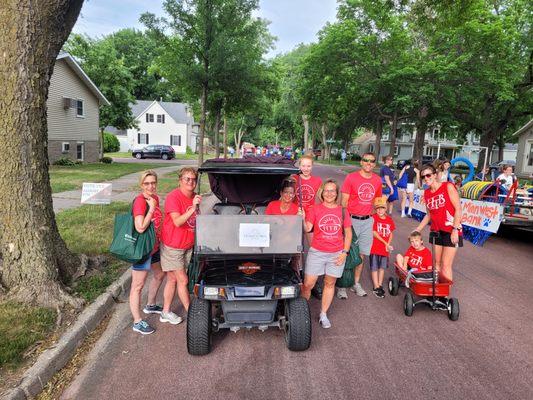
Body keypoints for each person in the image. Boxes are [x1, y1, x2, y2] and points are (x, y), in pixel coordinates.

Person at [301, 179, 352, 329]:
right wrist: (303, 218)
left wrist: (345, 252)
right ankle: (302, 312)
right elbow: (307, 228)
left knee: (330, 283)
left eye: (332, 191)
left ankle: (323, 314)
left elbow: (348, 234)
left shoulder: (343, 210)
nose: (329, 193)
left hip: (336, 253)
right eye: (326, 190)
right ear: (321, 193)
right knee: (308, 284)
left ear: (337, 193)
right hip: (317, 252)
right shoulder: (315, 209)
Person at [160, 167, 202, 325]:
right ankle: (194, 317)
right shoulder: (173, 197)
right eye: (187, 179)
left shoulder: (194, 197)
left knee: (172, 279)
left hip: (187, 245)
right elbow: (177, 222)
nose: (191, 182)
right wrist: (192, 208)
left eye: (193, 179)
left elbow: (196, 221)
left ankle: (165, 311)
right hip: (173, 245)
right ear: (180, 181)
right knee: (183, 280)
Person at [339, 152, 383, 299]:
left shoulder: (377, 180)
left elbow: (377, 201)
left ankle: (355, 283)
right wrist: (345, 222)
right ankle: (342, 284)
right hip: (352, 220)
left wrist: (378, 215)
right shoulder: (351, 177)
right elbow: (343, 203)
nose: (368, 163)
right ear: (361, 162)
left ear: (374, 164)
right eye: (366, 160)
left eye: (372, 161)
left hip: (367, 221)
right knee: (347, 252)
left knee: (361, 254)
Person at [129, 170, 166, 335]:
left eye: (153, 183)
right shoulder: (140, 202)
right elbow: (140, 227)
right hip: (142, 249)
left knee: (159, 275)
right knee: (137, 286)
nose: (151, 186)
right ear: (141, 185)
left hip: (155, 246)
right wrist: (150, 209)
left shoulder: (155, 198)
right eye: (146, 183)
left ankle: (150, 305)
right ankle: (137, 321)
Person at [415, 164, 463, 282]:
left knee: (446, 265)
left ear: (435, 175)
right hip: (436, 231)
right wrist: (417, 230)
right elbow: (429, 215)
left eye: (428, 175)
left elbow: (458, 209)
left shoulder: (448, 186)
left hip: (451, 230)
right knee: (437, 264)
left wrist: (455, 230)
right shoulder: (426, 193)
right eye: (423, 177)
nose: (426, 178)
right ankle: (435, 293)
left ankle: (444, 297)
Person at [293, 154, 323, 299]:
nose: (305, 168)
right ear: (299, 166)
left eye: (308, 166)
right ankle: (297, 277)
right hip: (296, 215)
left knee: (314, 249)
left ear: (312, 166)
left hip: (311, 216)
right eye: (303, 165)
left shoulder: (317, 181)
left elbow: (319, 199)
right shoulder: (294, 178)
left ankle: (313, 280)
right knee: (296, 249)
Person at [369, 197, 395, 298]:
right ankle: (376, 286)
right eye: (378, 208)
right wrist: (386, 243)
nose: (380, 210)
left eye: (382, 208)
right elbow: (374, 233)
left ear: (386, 209)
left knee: (382, 267)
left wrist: (388, 244)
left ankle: (380, 285)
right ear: (376, 209)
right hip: (375, 247)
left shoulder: (389, 219)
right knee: (375, 267)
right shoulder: (373, 217)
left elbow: (391, 233)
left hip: (384, 249)